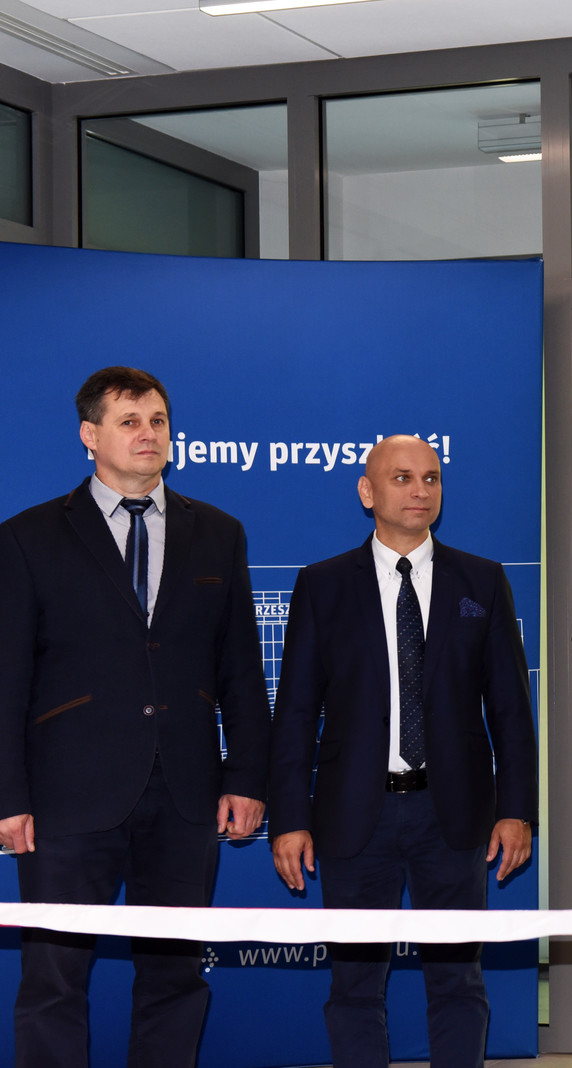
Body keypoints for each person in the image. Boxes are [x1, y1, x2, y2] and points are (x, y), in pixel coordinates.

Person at [0, 366, 270, 1068]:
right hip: (65, 798)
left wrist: (247, 777)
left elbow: (241, 668)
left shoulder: (219, 533)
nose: (148, 434)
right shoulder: (28, 537)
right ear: (90, 436)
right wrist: (8, 795)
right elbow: (7, 678)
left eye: (157, 421)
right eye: (129, 421)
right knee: (53, 982)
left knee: (176, 979)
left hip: (185, 794)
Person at [268, 433, 537, 1068]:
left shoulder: (482, 580)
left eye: (431, 478)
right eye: (402, 478)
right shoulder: (323, 584)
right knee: (354, 987)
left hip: (455, 815)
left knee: (459, 981)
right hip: (352, 816)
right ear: (367, 492)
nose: (420, 490)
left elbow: (509, 709)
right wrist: (290, 818)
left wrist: (516, 810)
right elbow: (296, 713)